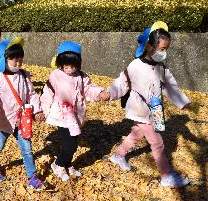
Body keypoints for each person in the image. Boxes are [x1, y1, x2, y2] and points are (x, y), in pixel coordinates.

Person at [105, 21, 190, 188]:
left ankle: (118, 155)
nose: (164, 53)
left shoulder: (160, 67)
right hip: (141, 110)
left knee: (136, 134)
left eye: (166, 49)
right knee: (157, 143)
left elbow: (170, 87)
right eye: (162, 49)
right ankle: (166, 175)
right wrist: (108, 93)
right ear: (150, 47)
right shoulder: (136, 66)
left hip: (155, 110)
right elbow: (122, 83)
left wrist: (182, 102)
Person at [0, 37, 45, 190]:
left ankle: (32, 176)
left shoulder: (24, 75)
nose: (18, 64)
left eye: (20, 61)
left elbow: (31, 94)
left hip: (22, 121)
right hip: (3, 122)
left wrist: (37, 110)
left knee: (27, 149)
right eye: (14, 61)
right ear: (5, 59)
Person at [40, 41, 108, 181]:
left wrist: (100, 92)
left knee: (73, 143)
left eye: (73, 66)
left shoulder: (82, 76)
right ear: (60, 63)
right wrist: (43, 111)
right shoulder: (55, 76)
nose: (70, 69)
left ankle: (67, 163)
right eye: (66, 66)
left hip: (76, 116)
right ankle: (58, 164)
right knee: (70, 145)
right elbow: (47, 94)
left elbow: (88, 89)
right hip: (62, 116)